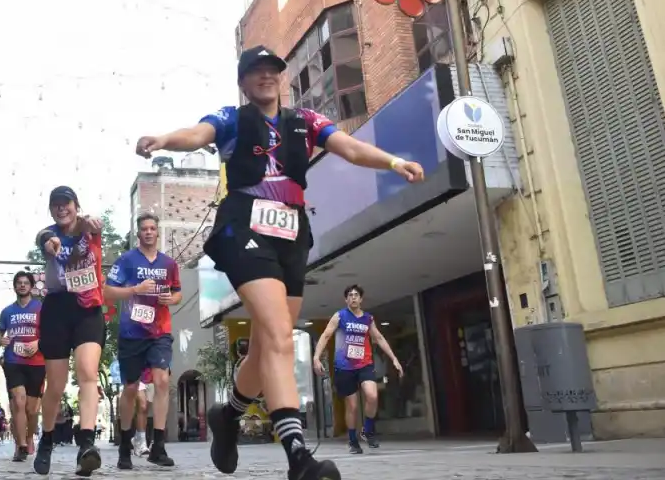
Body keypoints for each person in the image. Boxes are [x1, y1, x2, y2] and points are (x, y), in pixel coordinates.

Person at [136, 45, 425, 480]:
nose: (266, 76)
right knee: (277, 335)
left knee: (266, 342)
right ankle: (296, 455)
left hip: (290, 234)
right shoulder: (232, 118)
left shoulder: (305, 122)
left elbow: (348, 147)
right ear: (244, 81)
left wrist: (394, 162)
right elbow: (197, 134)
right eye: (256, 71)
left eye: (273, 70)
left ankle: (227, 415)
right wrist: (163, 141)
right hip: (244, 229)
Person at [32, 186, 105, 477]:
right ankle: (47, 439)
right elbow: (43, 238)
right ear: (51, 210)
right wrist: (48, 242)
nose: (62, 209)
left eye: (67, 204)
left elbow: (93, 223)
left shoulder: (90, 227)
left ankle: (86, 444)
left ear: (76, 205)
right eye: (56, 205)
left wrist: (91, 223)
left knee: (88, 372)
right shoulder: (48, 234)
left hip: (88, 306)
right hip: (57, 308)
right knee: (56, 385)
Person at [105, 212, 181, 469]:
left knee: (161, 382)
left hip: (160, 331)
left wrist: (171, 299)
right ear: (138, 233)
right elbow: (107, 290)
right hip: (132, 333)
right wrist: (134, 290)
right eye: (144, 229)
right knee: (130, 389)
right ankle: (125, 446)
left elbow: (177, 292)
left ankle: (158, 446)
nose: (148, 232)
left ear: (157, 232)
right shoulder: (126, 260)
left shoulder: (169, 263)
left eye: (152, 228)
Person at [312, 285, 403, 454]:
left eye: (356, 295)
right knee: (352, 406)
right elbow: (325, 335)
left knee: (372, 395)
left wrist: (394, 358)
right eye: (350, 295)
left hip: (365, 364)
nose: (353, 297)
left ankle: (367, 430)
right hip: (344, 367)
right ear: (346, 299)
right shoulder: (340, 316)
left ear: (361, 299)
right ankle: (353, 441)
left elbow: (379, 338)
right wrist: (316, 357)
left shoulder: (368, 319)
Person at [0, 271, 45, 462]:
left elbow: (51, 333)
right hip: (13, 361)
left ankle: (29, 437)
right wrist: (0, 340)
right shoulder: (7, 311)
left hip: (37, 362)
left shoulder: (40, 308)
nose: (22, 285)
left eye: (25, 283)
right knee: (18, 400)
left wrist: (38, 343)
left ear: (31, 286)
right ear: (15, 287)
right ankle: (20, 445)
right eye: (19, 283)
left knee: (32, 410)